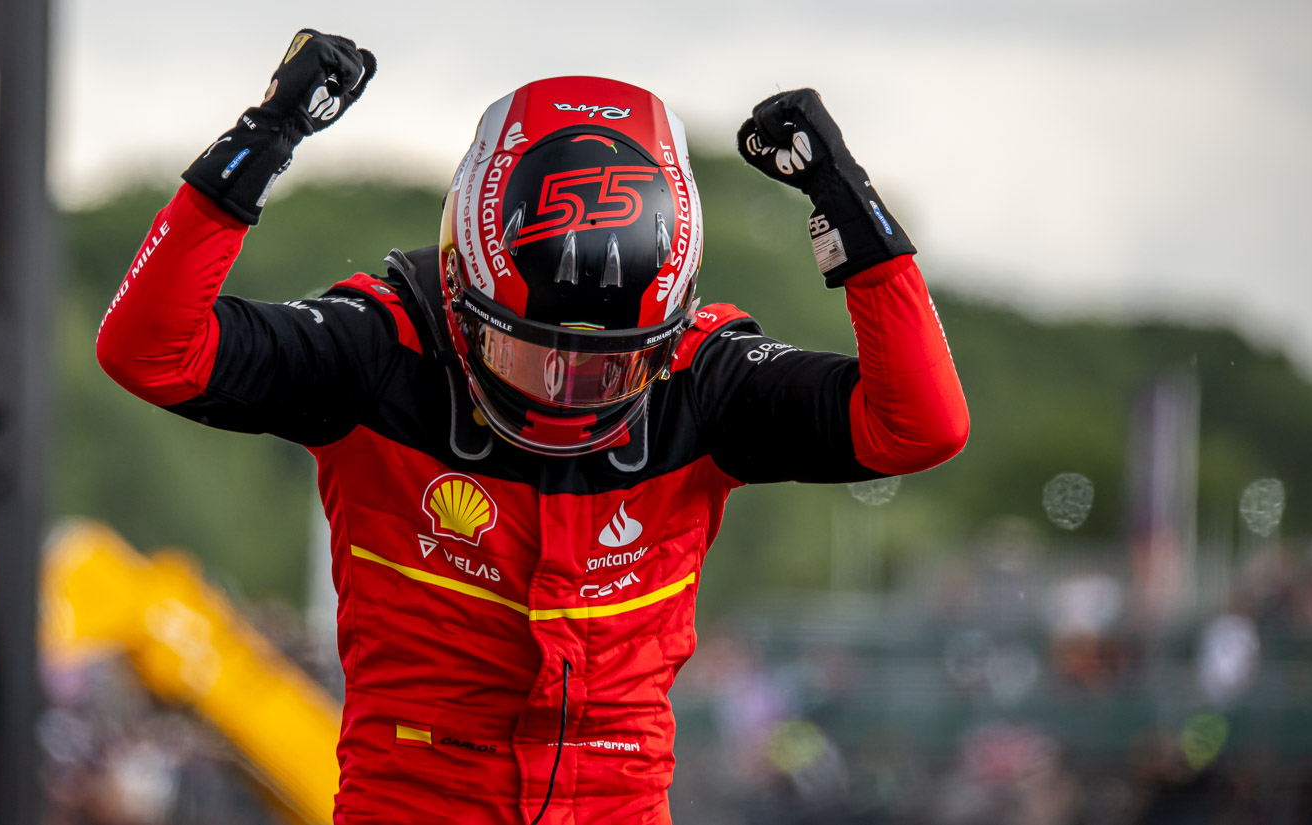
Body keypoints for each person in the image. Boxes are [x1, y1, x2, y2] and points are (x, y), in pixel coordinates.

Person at [96, 29, 969, 825]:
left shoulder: (705, 378)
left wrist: (846, 204)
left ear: (667, 334)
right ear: (459, 289)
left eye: (608, 365)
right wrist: (263, 139)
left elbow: (920, 425)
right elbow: (148, 350)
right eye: (529, 352)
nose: (564, 390)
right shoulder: (377, 349)